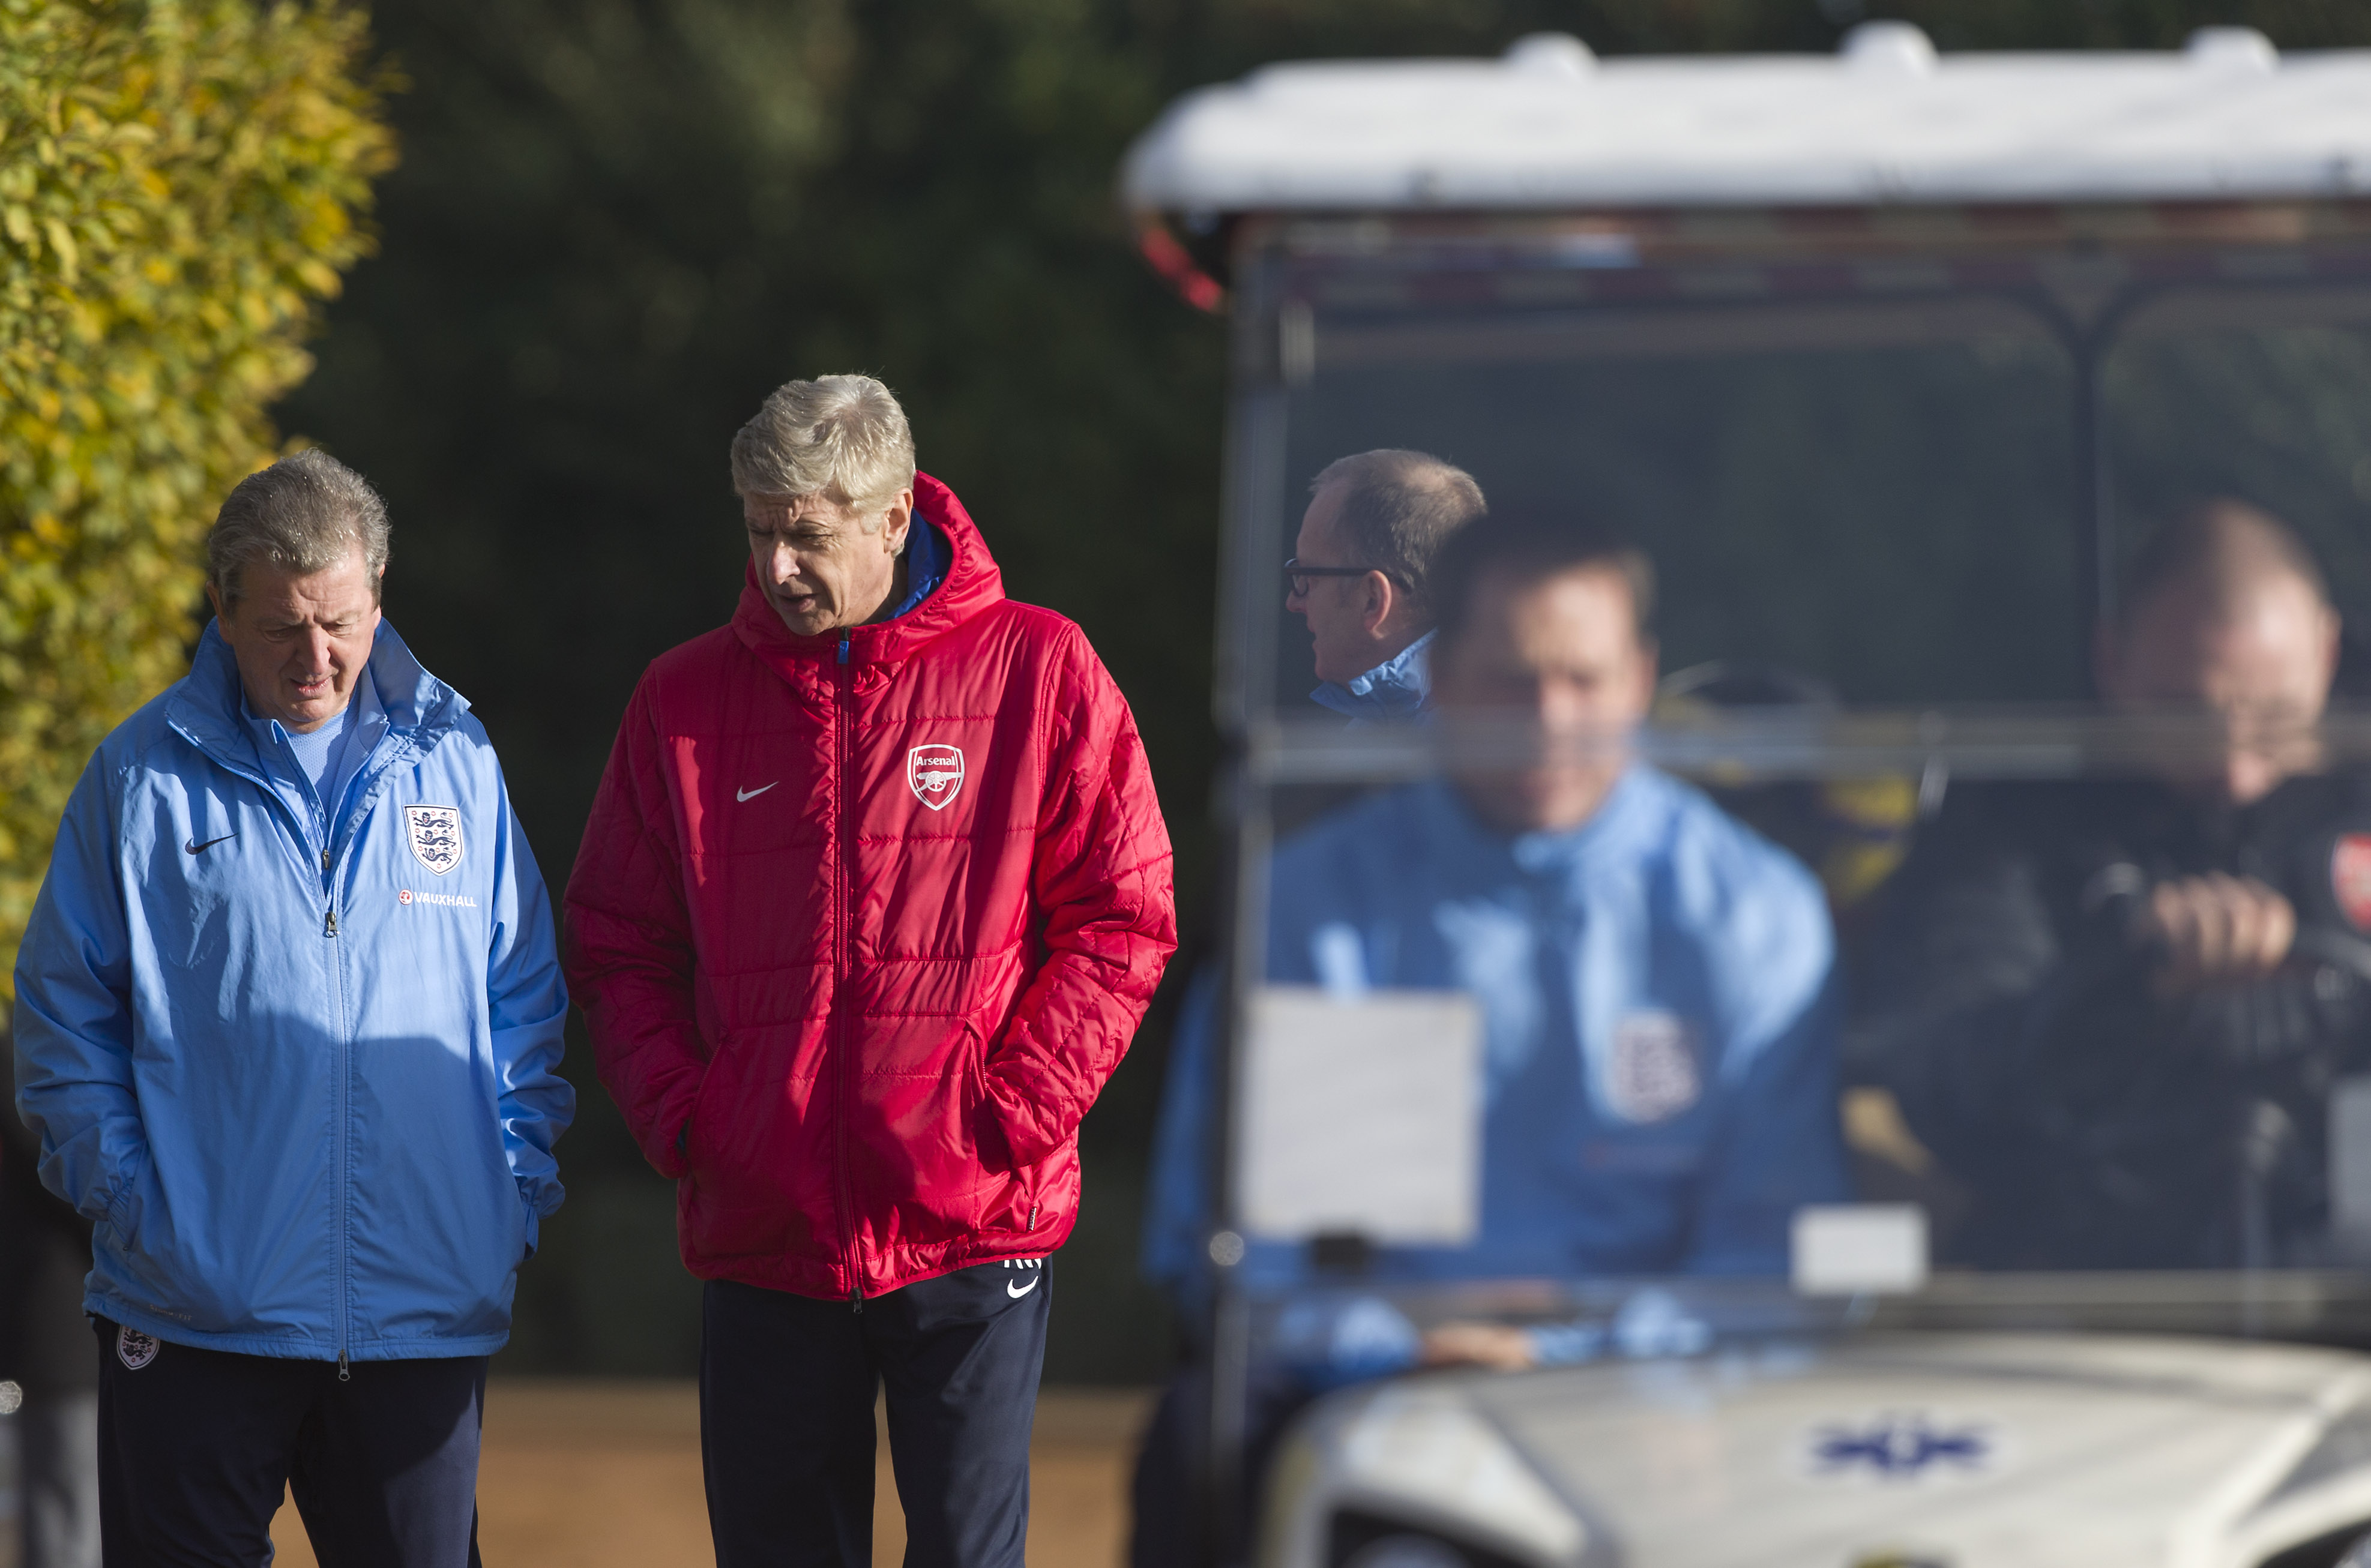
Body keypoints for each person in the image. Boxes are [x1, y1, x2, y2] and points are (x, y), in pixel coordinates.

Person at [1132, 514, 1848, 1566]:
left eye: (1584, 679)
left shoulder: (1753, 914)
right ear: (1442, 681)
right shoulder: (1317, 907)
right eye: (1511, 679)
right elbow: (1236, 1241)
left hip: (1670, 1397)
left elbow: (1772, 1253)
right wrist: (1398, 1353)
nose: (1550, 720)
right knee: (1196, 1443)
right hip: (1369, 1382)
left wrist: (1579, 1358)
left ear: (1641, 679)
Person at [564, 374, 1177, 1568]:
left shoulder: (1040, 666)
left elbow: (1124, 913)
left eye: (807, 530)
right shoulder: (680, 698)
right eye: (757, 528)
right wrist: (696, 1122)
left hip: (972, 1221)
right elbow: (615, 937)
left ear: (896, 517)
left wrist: (1009, 1115)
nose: (777, 562)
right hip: (764, 1224)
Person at [10, 450, 573, 1566]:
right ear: (221, 609)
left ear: (378, 601)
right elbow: (61, 1020)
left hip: (423, 1309)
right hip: (193, 1313)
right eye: (281, 627)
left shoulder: (457, 760)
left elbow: (523, 1003)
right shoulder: (139, 778)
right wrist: (135, 1203)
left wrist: (505, 1193)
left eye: (342, 622)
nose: (317, 657)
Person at [1858, 498, 2371, 1269]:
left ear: (2327, 658)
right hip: (2093, 1316)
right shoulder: (2014, 826)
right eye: (2186, 719)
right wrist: (2122, 995)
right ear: (2112, 663)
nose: (2234, 771)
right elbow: (1938, 1079)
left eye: (2273, 720)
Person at [1287, 449, 1486, 720]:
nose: (1294, 602)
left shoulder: (1458, 749)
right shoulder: (1384, 725)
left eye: (1308, 577)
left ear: (1372, 599)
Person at [2, 1030, 99, 1568]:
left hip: (82, 1332)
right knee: (68, 1516)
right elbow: (66, 1180)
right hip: (60, 1333)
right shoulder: (27, 1051)